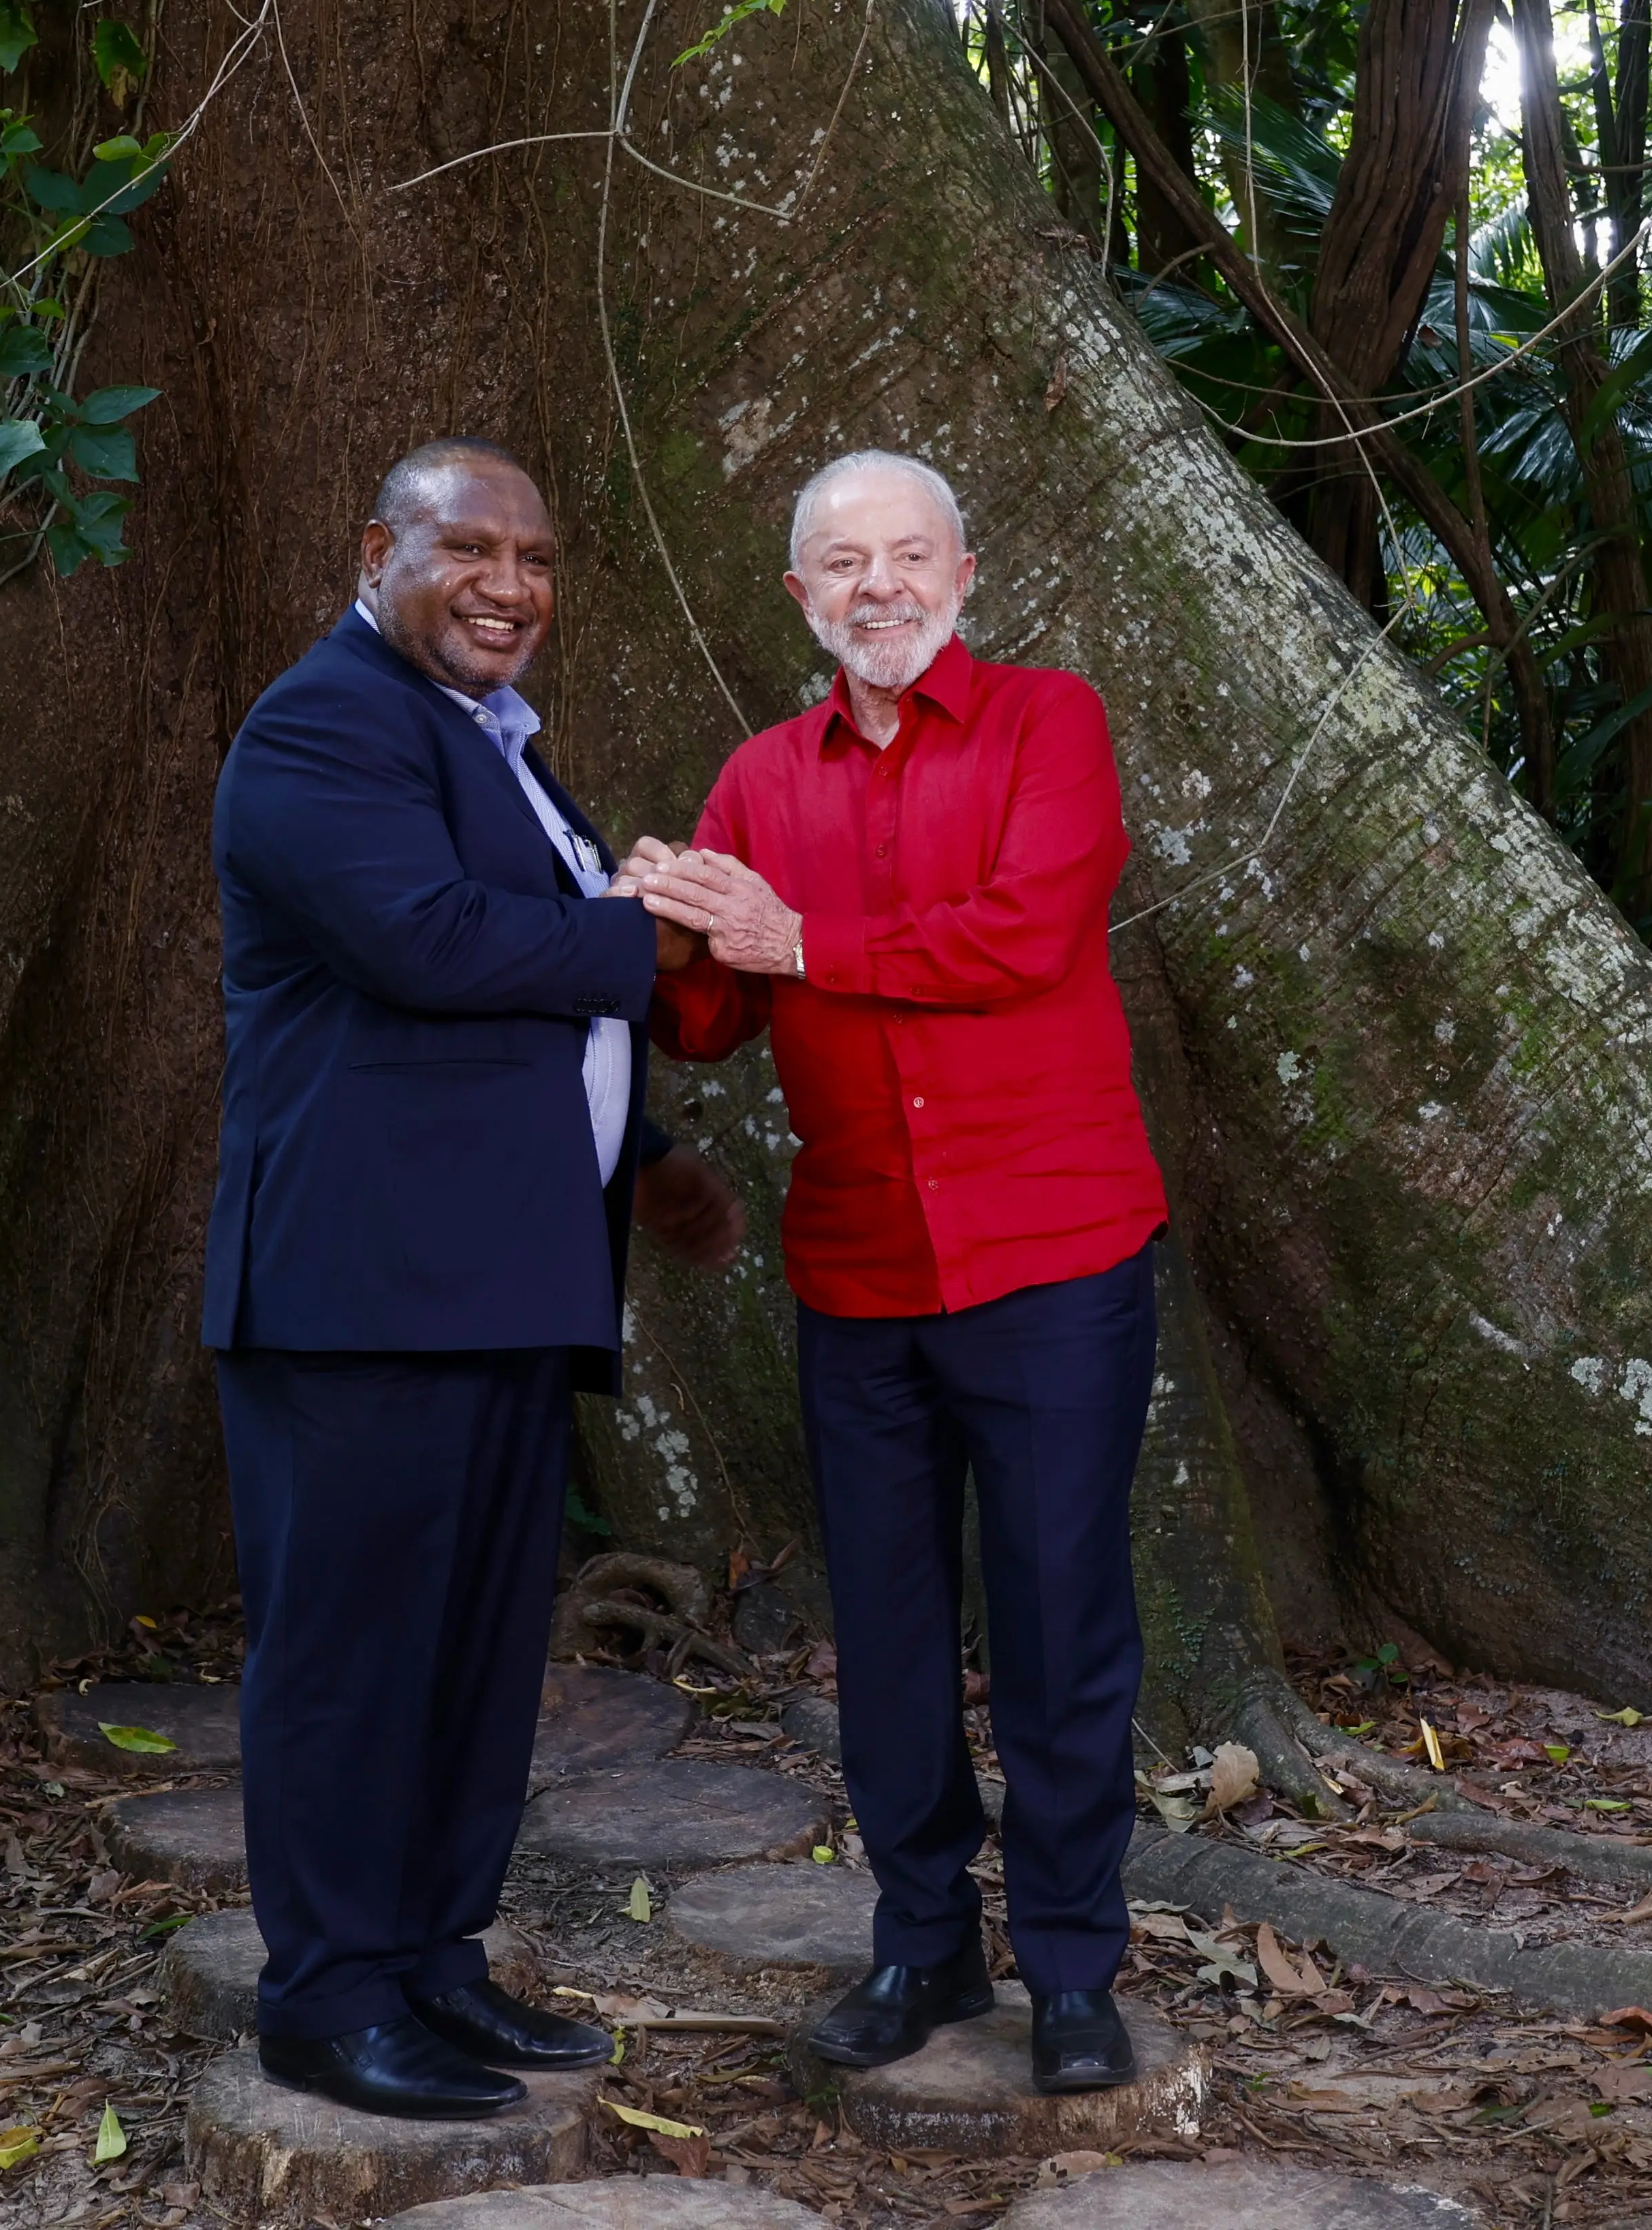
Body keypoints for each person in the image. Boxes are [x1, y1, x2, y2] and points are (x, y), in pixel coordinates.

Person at [207, 436, 744, 2120]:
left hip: (500, 1285)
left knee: (466, 1654)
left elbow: (524, 993)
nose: (510, 585)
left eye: (537, 555)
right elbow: (422, 941)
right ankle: (327, 1997)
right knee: (354, 1654)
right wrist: (648, 939)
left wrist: (638, 1154)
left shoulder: (492, 744)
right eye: (470, 550)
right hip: (360, 1291)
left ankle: (433, 1964)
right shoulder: (323, 720)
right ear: (380, 550)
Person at [623, 450, 1168, 2096]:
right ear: (800, 598)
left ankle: (1072, 1967)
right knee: (888, 1624)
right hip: (859, 1269)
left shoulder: (1044, 724)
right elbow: (712, 1018)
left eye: (908, 555)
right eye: (842, 563)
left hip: (1053, 1252)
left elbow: (1026, 936)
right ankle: (921, 1942)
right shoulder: (756, 780)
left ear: (963, 571)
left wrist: (799, 943)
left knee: (1061, 1621)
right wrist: (661, 930)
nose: (879, 586)